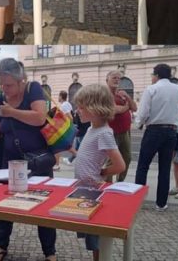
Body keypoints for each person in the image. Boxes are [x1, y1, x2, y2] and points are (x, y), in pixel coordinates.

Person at [0, 58, 56, 261]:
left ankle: (50, 252)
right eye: (1, 84)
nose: (4, 89)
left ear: (21, 81)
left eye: (8, 84)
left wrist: (11, 112)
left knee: (43, 207)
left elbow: (39, 117)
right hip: (10, 162)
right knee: (5, 206)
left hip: (37, 161)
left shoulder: (33, 89)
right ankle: (1, 245)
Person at [72, 84, 126, 261]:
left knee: (96, 237)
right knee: (91, 235)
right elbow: (87, 155)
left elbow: (120, 165)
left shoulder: (104, 133)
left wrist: (102, 172)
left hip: (93, 190)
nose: (77, 110)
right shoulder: (91, 129)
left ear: (96, 108)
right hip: (84, 189)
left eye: (81, 106)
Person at [135, 63, 178, 212]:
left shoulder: (152, 89)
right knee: (164, 168)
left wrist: (139, 124)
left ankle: (138, 201)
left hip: (154, 130)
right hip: (171, 131)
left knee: (143, 166)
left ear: (156, 75)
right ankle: (161, 204)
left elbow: (143, 112)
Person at [104, 70, 136, 182]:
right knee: (111, 160)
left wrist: (127, 96)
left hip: (125, 131)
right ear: (107, 79)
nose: (117, 80)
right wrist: (127, 107)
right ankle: (107, 183)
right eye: (114, 77)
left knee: (127, 158)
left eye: (119, 78)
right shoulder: (105, 94)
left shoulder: (120, 94)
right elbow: (114, 110)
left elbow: (135, 108)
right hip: (112, 132)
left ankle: (120, 181)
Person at [52, 90, 73, 171]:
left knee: (57, 146)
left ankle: (57, 165)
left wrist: (66, 128)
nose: (58, 97)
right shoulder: (67, 104)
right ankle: (56, 165)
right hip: (63, 129)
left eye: (58, 96)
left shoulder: (64, 105)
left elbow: (70, 117)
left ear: (61, 96)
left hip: (62, 129)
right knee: (64, 146)